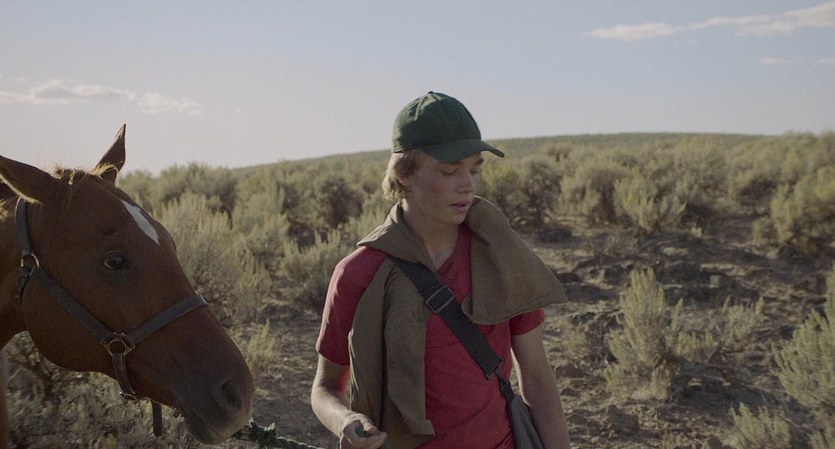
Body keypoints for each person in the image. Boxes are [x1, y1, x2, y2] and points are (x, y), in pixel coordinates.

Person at [311, 91, 571, 449]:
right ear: (404, 175)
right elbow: (325, 388)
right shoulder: (360, 273)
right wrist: (345, 419)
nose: (468, 185)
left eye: (475, 169)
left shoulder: (498, 254)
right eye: (450, 171)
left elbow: (538, 378)